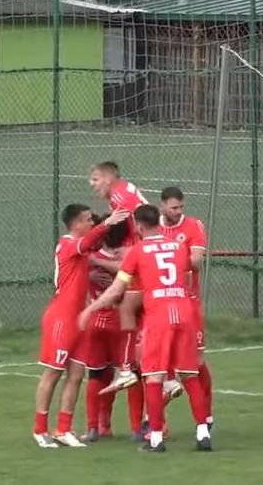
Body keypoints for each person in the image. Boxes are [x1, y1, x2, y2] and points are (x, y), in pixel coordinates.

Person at [80, 204, 212, 453]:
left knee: (153, 377)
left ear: (139, 227)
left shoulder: (137, 251)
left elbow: (117, 290)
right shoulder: (179, 247)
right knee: (190, 375)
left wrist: (91, 308)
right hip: (184, 313)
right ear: (160, 223)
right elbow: (187, 270)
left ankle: (156, 439)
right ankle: (203, 433)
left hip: (159, 316)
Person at [32, 205, 129, 449]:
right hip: (61, 319)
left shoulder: (84, 249)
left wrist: (114, 225)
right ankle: (40, 429)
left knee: (76, 375)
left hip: (79, 319)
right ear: (76, 224)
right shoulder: (68, 244)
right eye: (87, 219)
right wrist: (106, 224)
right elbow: (91, 241)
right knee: (53, 372)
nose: (91, 222)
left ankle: (63, 428)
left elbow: (103, 248)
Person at [88, 161, 148, 433]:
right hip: (145, 258)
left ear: (110, 177)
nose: (93, 184)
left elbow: (139, 228)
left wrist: (132, 254)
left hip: (145, 266)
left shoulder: (118, 197)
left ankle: (126, 369)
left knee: (129, 311)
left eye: (96, 178)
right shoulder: (125, 193)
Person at [159, 186, 213, 429]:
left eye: (181, 207)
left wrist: (165, 258)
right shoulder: (154, 227)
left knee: (197, 362)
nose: (178, 212)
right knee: (157, 359)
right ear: (162, 206)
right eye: (173, 208)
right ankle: (154, 422)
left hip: (189, 303)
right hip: (160, 303)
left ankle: (206, 416)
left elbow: (196, 261)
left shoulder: (193, 226)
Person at [79, 215, 129, 443]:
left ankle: (92, 428)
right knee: (131, 374)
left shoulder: (90, 258)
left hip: (95, 321)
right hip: (121, 321)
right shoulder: (129, 257)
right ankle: (133, 427)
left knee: (97, 374)